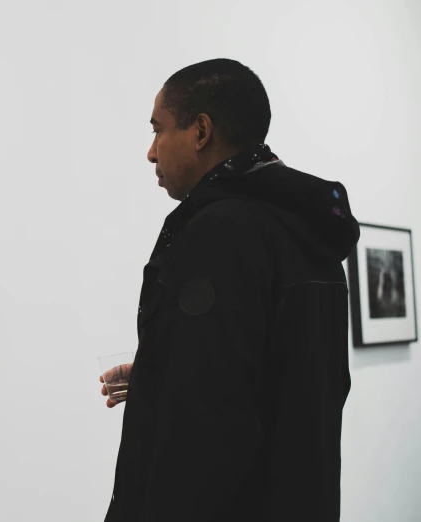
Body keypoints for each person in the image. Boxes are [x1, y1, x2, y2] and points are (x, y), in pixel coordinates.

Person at [99, 59, 360, 521]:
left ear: (200, 132)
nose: (151, 152)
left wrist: (173, 381)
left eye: (158, 130)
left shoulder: (221, 231)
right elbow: (270, 379)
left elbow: (207, 430)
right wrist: (161, 370)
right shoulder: (306, 233)